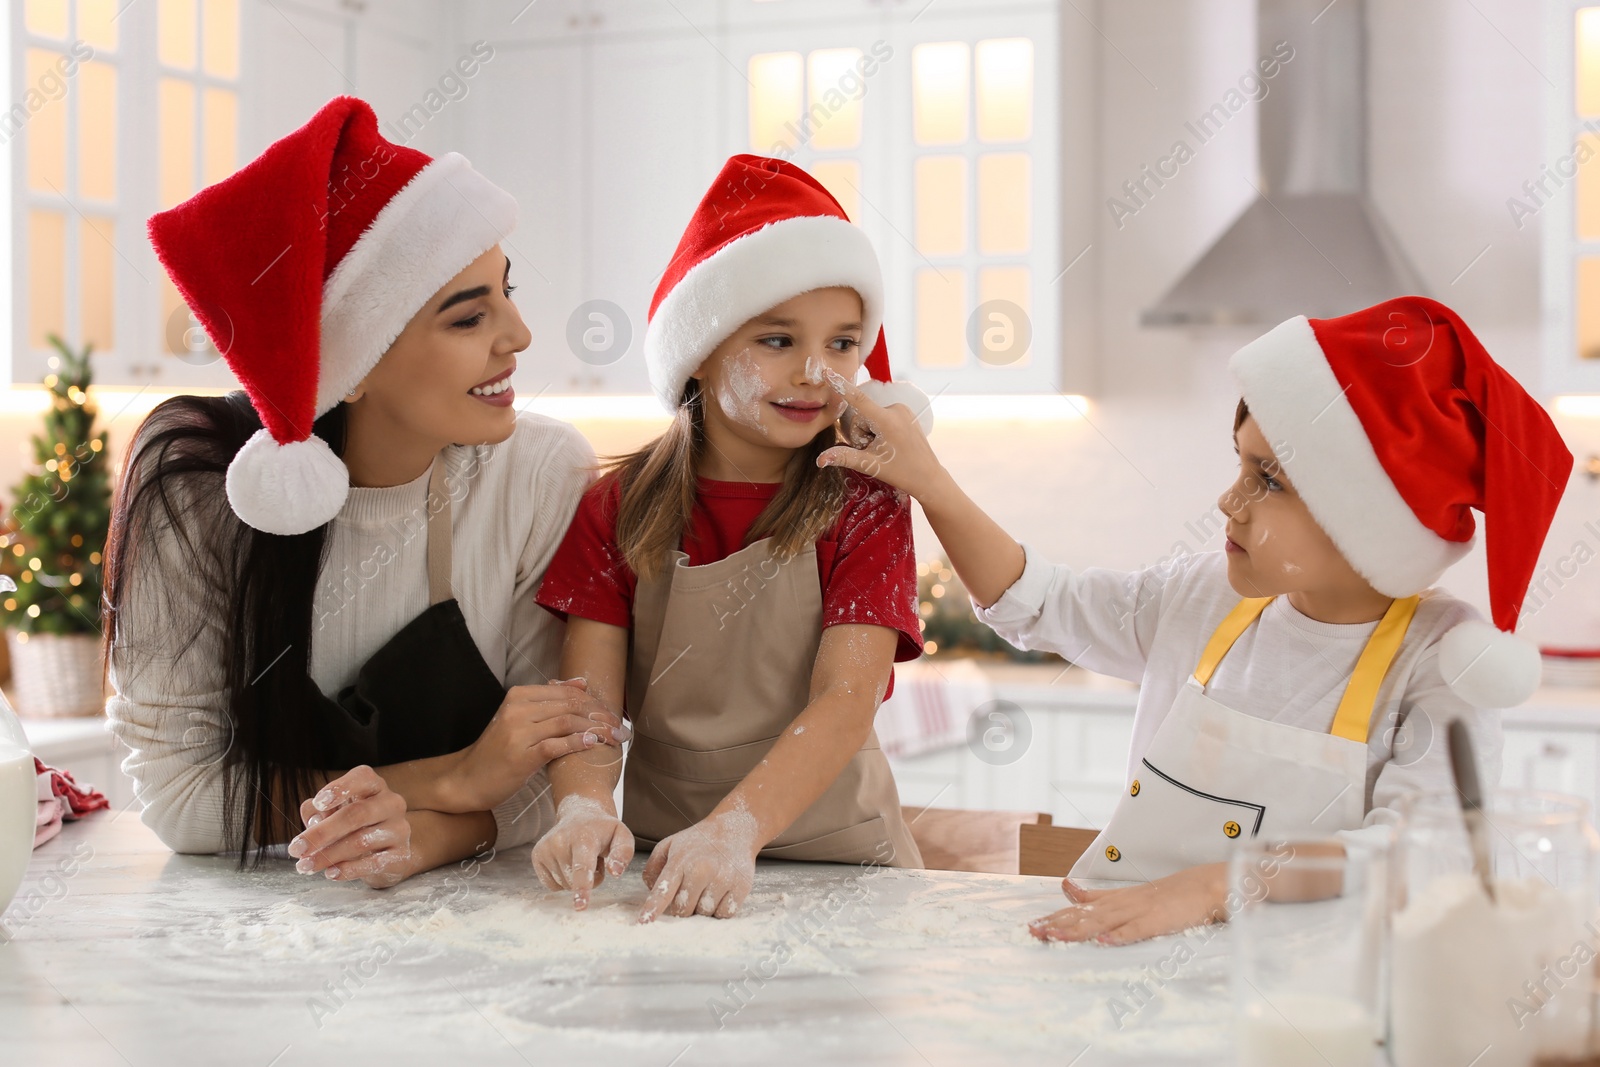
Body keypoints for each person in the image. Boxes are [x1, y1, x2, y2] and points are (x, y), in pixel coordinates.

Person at [816, 296, 1572, 943]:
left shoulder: (1442, 660)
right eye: (1240, 464)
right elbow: (1040, 601)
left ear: (1364, 520)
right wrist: (932, 485)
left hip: (1303, 999)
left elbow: (1418, 854)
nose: (1228, 500)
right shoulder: (1206, 593)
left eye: (1267, 479)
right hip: (1123, 961)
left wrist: (1212, 887)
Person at [104, 97, 623, 888]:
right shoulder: (197, 493)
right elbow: (180, 798)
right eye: (468, 316)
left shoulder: (540, 474)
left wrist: (428, 837)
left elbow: (549, 779)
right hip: (263, 941)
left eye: (506, 292)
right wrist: (453, 781)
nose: (517, 335)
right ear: (355, 362)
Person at [531, 155, 933, 922]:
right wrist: (582, 805)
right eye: (778, 339)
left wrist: (735, 829)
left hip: (846, 873)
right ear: (701, 348)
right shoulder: (616, 506)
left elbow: (846, 699)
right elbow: (589, 705)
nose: (816, 371)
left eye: (843, 343)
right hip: (667, 866)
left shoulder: (867, 502)